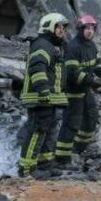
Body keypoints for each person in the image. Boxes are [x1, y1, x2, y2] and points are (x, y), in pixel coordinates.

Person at [17, 12, 70, 177]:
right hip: (40, 99)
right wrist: (43, 90)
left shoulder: (53, 46)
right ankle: (27, 170)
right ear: (48, 27)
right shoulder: (42, 45)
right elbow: (37, 68)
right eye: (58, 27)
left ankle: (45, 166)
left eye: (63, 27)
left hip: (50, 100)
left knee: (50, 133)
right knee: (37, 132)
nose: (61, 30)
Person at [56, 14, 101, 166]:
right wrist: (92, 81)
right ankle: (61, 158)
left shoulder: (92, 46)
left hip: (85, 90)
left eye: (92, 28)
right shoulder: (73, 47)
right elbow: (72, 72)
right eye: (87, 28)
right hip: (73, 91)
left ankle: (78, 148)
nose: (90, 31)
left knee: (91, 117)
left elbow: (97, 64)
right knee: (71, 123)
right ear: (80, 29)